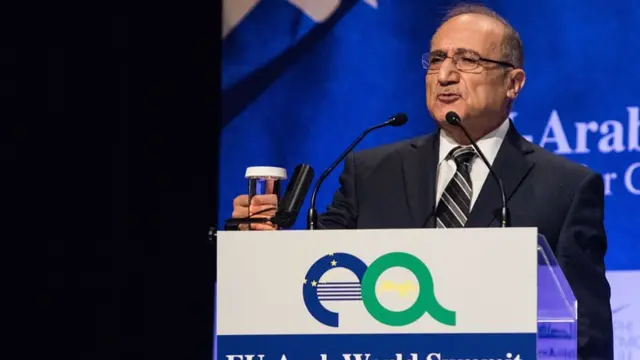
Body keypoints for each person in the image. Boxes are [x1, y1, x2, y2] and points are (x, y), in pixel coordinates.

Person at [231, 4, 613, 359]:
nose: (445, 75)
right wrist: (267, 252)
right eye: (436, 60)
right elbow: (319, 279)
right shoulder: (368, 173)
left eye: (468, 60)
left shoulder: (566, 187)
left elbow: (588, 334)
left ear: (513, 83)